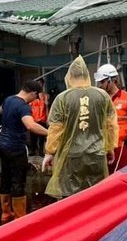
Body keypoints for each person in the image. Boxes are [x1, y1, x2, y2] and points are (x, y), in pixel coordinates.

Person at [42, 56, 118, 198]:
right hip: (96, 154)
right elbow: (111, 125)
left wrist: (49, 153)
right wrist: (110, 148)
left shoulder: (62, 98)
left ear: (70, 77)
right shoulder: (102, 96)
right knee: (95, 195)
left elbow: (55, 129)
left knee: (70, 195)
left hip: (72, 156)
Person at [0, 80, 48, 222]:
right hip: (15, 148)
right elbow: (30, 126)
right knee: (18, 182)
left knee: (5, 179)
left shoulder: (8, 100)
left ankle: (6, 213)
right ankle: (20, 218)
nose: (34, 101)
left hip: (2, 146)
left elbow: (1, 110)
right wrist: (50, 133)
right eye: (36, 97)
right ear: (33, 93)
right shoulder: (23, 107)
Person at [95, 63, 127, 171]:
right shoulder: (101, 99)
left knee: (121, 174)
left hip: (122, 145)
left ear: (111, 80)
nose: (100, 85)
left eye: (102, 82)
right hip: (104, 146)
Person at [28, 87, 49, 156]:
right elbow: (29, 108)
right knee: (33, 137)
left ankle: (41, 151)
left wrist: (47, 118)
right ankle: (32, 150)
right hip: (34, 119)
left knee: (42, 137)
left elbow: (46, 108)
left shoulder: (45, 98)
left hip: (42, 119)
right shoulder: (32, 98)